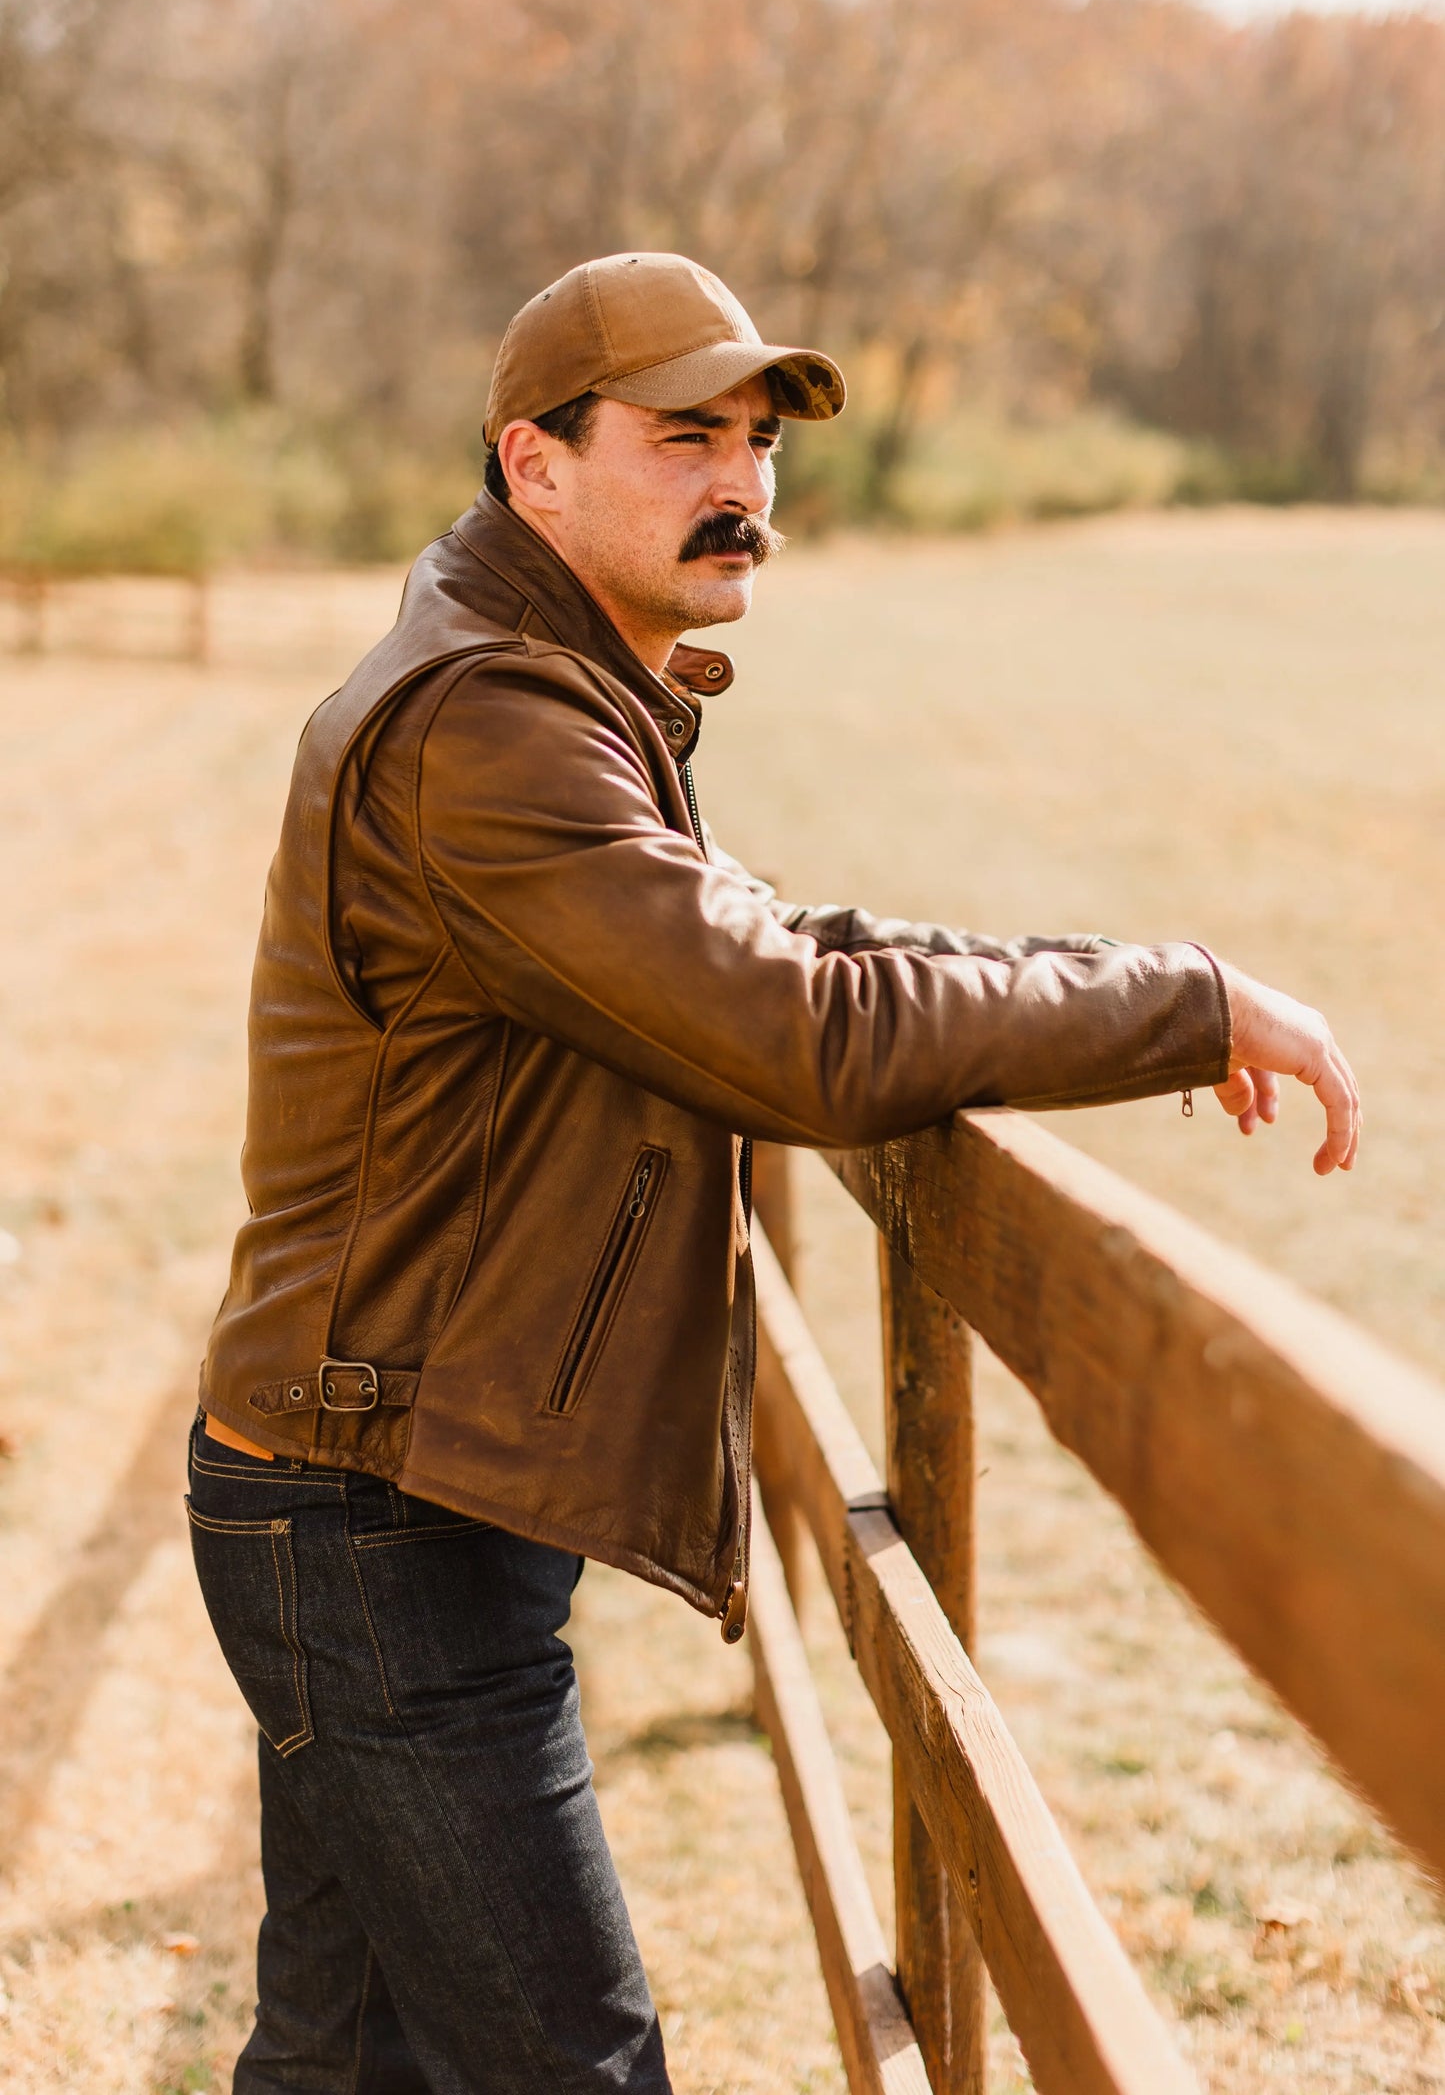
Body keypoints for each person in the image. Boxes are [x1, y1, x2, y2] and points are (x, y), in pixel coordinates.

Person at [188, 252, 1359, 2094]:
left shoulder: (559, 685)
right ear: (535, 464)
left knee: (344, 2065)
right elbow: (796, 1032)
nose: (741, 480)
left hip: (377, 1481)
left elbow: (782, 948)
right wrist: (1181, 1004)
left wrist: (1160, 991)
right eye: (683, 440)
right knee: (566, 2064)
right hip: (376, 1519)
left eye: (756, 441)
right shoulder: (493, 725)